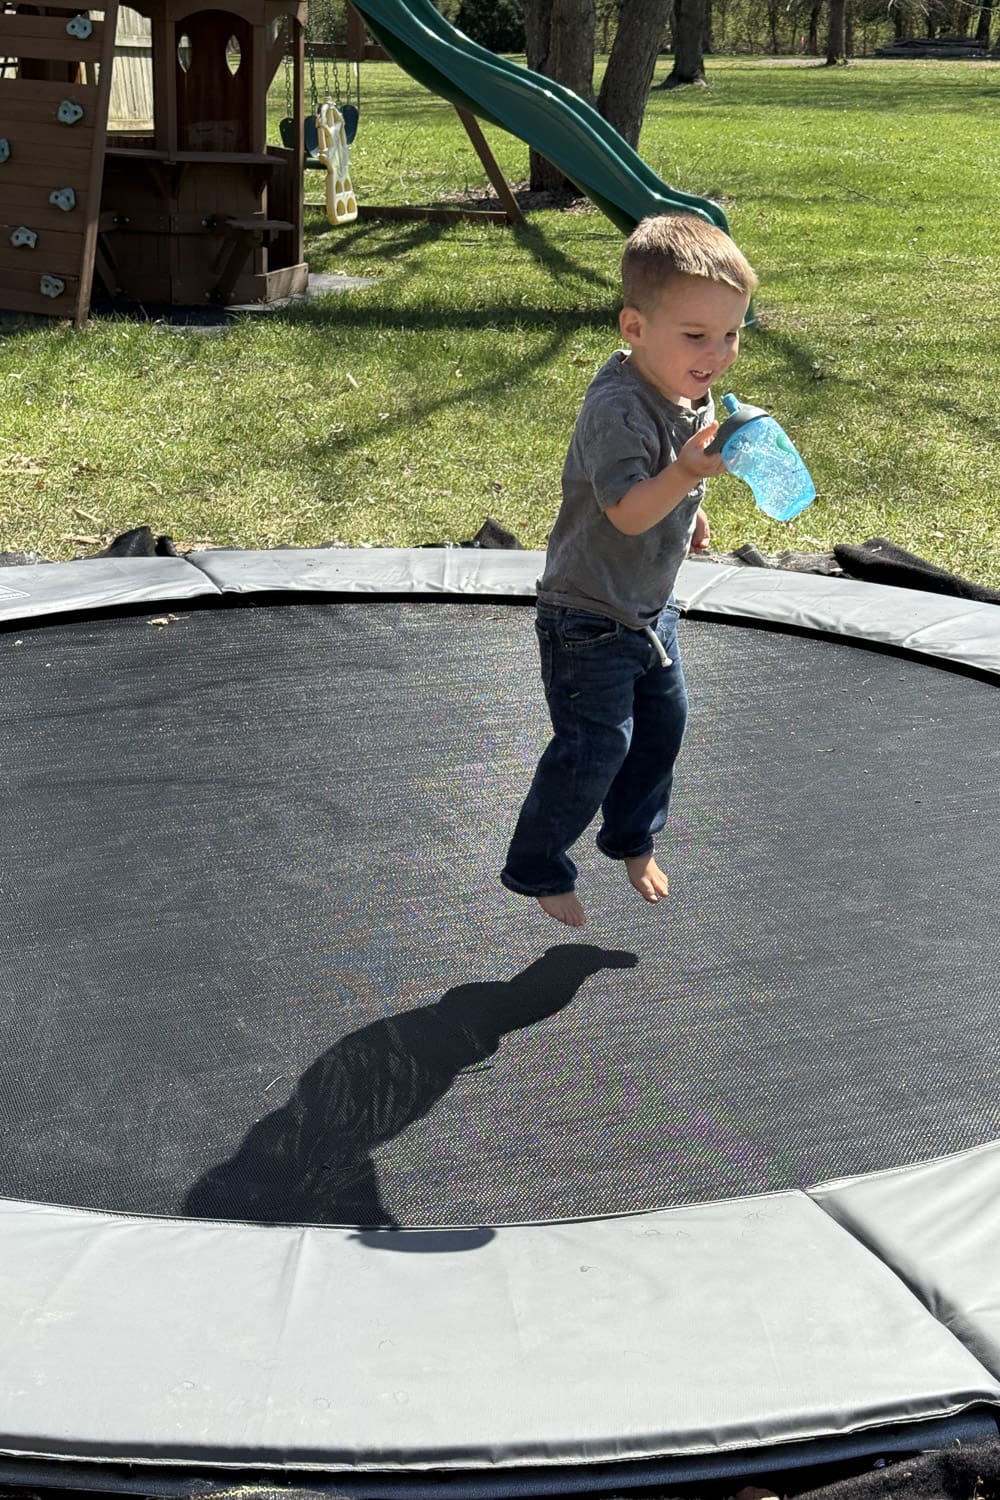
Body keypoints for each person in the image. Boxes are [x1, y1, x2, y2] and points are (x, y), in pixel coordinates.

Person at [500, 213, 759, 928]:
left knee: (663, 728)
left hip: (649, 609)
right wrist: (682, 478)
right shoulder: (617, 408)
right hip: (587, 614)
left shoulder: (685, 383)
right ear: (635, 328)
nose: (717, 354)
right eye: (697, 336)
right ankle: (538, 863)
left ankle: (631, 838)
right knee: (596, 745)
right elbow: (626, 513)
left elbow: (668, 491)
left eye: (732, 333)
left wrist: (691, 508)